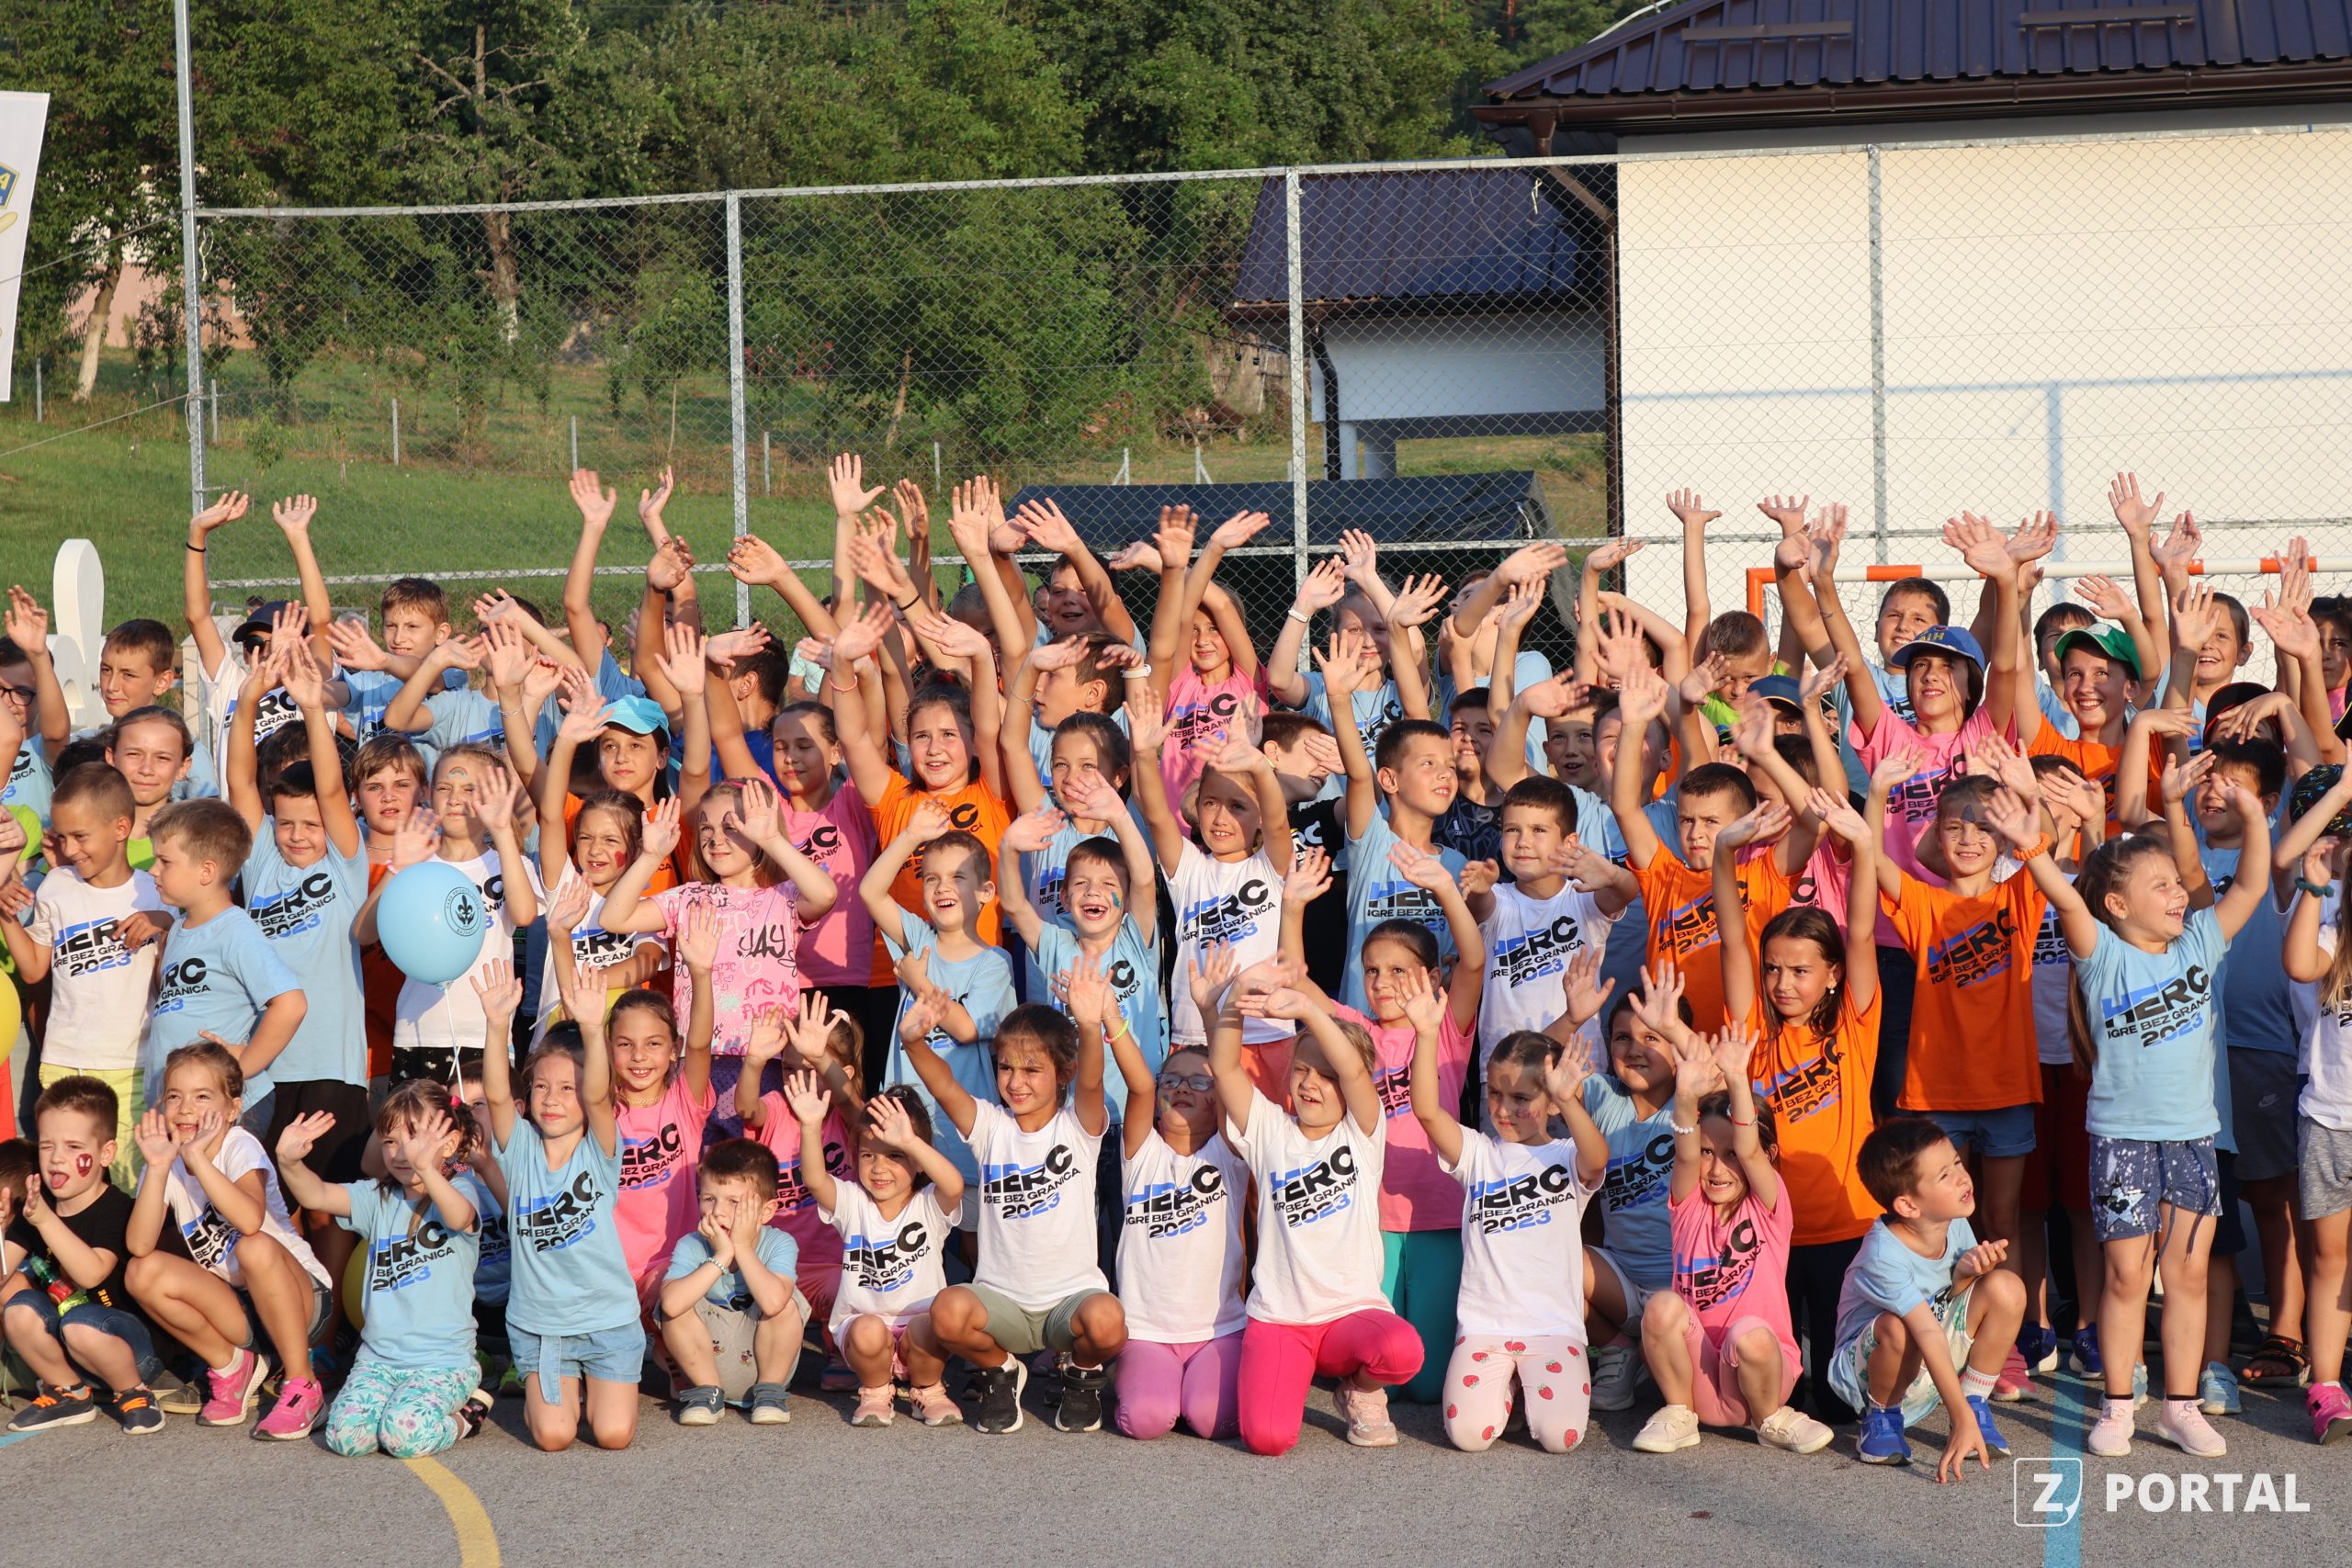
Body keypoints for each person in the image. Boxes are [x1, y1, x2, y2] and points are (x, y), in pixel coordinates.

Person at [1992, 778, 2269, 1459]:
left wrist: (2256, 815)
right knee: (2125, 1277)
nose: (2178, 894)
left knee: (2189, 1276)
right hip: (2122, 1142)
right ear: (2117, 904)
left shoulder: (2199, 943)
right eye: (2161, 885)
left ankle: (2180, 1406)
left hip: (2194, 1140)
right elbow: (2065, 897)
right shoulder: (2102, 954)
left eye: (2178, 882)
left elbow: (2251, 885)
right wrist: (2032, 846)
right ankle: (2118, 1404)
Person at [1204, 954, 1423, 1454]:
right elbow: (1225, 1066)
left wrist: (1307, 1009)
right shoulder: (1269, 1130)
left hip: (1351, 1314)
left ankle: (1361, 1391)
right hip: (1281, 1319)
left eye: (1325, 1075)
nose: (1309, 1083)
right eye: (1302, 1070)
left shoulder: (1361, 1134)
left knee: (1402, 1350)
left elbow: (1353, 1070)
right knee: (1267, 1439)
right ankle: (1292, 1374)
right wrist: (1236, 996)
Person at [1718, 777, 1883, 1425]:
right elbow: (1733, 938)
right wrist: (1724, 853)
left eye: (1801, 970)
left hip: (1848, 1226)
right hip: (1773, 1232)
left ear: (1833, 974)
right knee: (1778, 1401)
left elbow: (1861, 932)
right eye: (1774, 969)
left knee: (1840, 1406)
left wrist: (1864, 847)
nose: (1783, 983)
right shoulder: (1754, 1032)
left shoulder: (1855, 1024)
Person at [223, 637, 373, 1314]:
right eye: (287, 823)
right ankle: (290, 1318)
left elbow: (333, 789)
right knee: (271, 1202)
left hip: (332, 1064)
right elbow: (240, 784)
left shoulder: (344, 864)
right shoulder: (261, 863)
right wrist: (248, 699)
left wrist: (314, 707)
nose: (297, 834)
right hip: (265, 1066)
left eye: (310, 823)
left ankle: (331, 1329)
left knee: (327, 1205)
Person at [1405, 975, 1608, 1456]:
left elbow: (1597, 1158)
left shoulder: (1565, 1155)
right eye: (1496, 1094)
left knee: (1562, 1439)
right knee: (1468, 1436)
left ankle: (1523, 1389)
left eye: (1521, 1099)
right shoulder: (1478, 1154)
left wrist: (1569, 1101)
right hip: (1485, 1328)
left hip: (1552, 1327)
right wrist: (1427, 1035)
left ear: (1550, 1103)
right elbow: (1427, 1112)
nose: (1504, 1109)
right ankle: (1510, 1390)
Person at [917, 997, 1127, 1436]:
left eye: (1032, 1069)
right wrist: (913, 1041)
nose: (1016, 1082)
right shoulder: (990, 1127)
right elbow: (943, 1086)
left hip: (1069, 1303)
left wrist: (1091, 1025)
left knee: (1108, 1321)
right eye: (1006, 1067)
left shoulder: (1078, 1127)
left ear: (1063, 1072)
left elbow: (1092, 1079)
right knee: (946, 1312)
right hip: (1003, 1302)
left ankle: (1082, 1375)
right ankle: (1001, 1371)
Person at [1632, 1023, 1833, 1456]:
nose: (1717, 1168)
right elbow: (1685, 1151)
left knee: (1750, 1333)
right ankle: (1678, 1414)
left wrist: (1738, 1079)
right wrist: (1685, 1098)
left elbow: (1750, 1148)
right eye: (1708, 1153)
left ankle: (1772, 1419)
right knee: (1661, 1306)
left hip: (1762, 1377)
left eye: (1730, 1156)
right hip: (1700, 1381)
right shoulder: (1688, 1204)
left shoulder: (1769, 1208)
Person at [469, 960, 641, 1452]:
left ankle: (586, 1390)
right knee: (554, 1436)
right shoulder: (521, 1149)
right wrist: (497, 1023)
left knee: (613, 1435)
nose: (552, 1099)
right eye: (542, 1087)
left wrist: (591, 1027)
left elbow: (600, 1097)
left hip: (608, 1321)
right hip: (544, 1327)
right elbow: (497, 1096)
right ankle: (546, 1397)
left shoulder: (599, 1151)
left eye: (568, 1089)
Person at [122, 1042, 334, 1438]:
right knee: (140, 1272)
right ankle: (231, 1366)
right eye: (174, 1097)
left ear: (233, 1108)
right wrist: (158, 1168)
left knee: (253, 1245)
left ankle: (303, 1383)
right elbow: (138, 1244)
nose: (186, 1108)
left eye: (202, 1097)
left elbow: (250, 1221)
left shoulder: (239, 1145)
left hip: (301, 1298)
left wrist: (198, 1160)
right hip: (240, 1307)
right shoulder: (167, 1158)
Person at [597, 778, 838, 1119]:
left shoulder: (783, 897)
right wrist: (651, 856)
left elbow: (825, 895)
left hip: (765, 1059)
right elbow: (614, 917)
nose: (715, 839)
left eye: (732, 826)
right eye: (706, 828)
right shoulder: (688, 897)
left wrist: (771, 839)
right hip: (695, 1060)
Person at [277, 1081, 494, 1458]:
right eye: (391, 1141)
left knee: (403, 1437)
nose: (402, 1151)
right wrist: (289, 1162)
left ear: (449, 1143)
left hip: (443, 1363)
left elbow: (460, 1217)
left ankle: (466, 1417)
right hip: (377, 1362)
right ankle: (393, 1406)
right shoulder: (377, 1196)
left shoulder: (460, 1187)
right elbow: (316, 1194)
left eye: (415, 1139)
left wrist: (429, 1170)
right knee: (346, 1438)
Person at [1830, 1117, 2027, 1476]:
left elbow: (1944, 1306)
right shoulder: (1882, 1255)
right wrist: (1958, 1415)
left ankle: (1974, 1400)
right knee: (1898, 1326)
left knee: (2006, 1286)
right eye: (1944, 1176)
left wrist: (1964, 1278)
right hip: (1871, 1373)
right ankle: (1882, 1416)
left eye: (1957, 1162)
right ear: (1908, 1206)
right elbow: (1924, 1329)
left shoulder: (1953, 1219)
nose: (1962, 1178)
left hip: (1927, 1354)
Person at [0, 763, 165, 1182]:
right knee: (65, 1180)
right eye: (62, 837)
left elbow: (167, 986)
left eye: (80, 836)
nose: (70, 849)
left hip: (131, 1065)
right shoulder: (56, 885)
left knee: (128, 1181)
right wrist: (5, 914)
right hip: (63, 1062)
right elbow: (34, 970)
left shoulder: (155, 893)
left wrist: (165, 929)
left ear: (121, 827)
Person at [1102, 987, 1247, 1442]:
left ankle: (1189, 1389)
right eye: (1172, 1081)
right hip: (1146, 1332)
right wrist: (1109, 1015)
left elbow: (1230, 1075)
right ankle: (1149, 1381)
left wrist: (1209, 1012)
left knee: (1211, 1420)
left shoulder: (1229, 1154)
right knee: (1146, 1420)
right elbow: (1139, 1085)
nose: (1182, 1087)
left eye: (1200, 1083)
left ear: (1218, 1097)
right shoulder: (1141, 1153)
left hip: (1219, 1331)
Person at [858, 805, 1018, 1187]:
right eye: (932, 879)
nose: (943, 888)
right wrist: (911, 836)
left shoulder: (995, 962)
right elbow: (870, 891)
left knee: (966, 1217)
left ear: (985, 892)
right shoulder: (918, 940)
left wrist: (920, 983)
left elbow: (965, 1028)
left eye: (957, 878)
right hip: (905, 1126)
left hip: (962, 1131)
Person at [0, 1076, 167, 1433]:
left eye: (74, 1146)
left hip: (130, 1351)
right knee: (16, 1304)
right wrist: (0, 1232)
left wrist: (45, 1221)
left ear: (106, 1153)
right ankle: (69, 1392)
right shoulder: (37, 1206)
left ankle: (135, 1393)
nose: (57, 1158)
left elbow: (91, 1274)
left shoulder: (115, 1207)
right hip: (70, 1348)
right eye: (47, 1146)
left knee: (81, 1322)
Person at [363, 745, 538, 1084]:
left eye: (470, 789)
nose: (455, 798)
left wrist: (503, 830)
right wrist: (398, 867)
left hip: (487, 1029)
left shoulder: (508, 862)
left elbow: (525, 914)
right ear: (429, 793)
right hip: (418, 1030)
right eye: (445, 787)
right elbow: (364, 932)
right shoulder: (416, 861)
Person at [797, 1078, 967, 1428]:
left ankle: (928, 1389)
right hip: (864, 1330)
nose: (879, 1168)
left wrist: (910, 1141)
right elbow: (815, 1180)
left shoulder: (928, 1205)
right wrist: (811, 1127)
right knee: (868, 1329)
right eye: (868, 1155)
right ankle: (875, 1391)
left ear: (918, 1161)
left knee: (929, 1325)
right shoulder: (852, 1202)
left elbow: (954, 1184)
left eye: (895, 1155)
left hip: (919, 1330)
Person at [135, 800, 308, 1128]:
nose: (154, 870)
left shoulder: (235, 931)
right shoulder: (179, 930)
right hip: (180, 1109)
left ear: (207, 871)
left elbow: (291, 1004)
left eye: (165, 861)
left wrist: (244, 1066)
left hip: (226, 1109)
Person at [656, 1137, 804, 1427]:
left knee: (786, 1301)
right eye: (709, 1198)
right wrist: (722, 1256)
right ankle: (706, 1394)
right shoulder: (691, 1244)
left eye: (734, 1202)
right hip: (707, 1363)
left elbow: (773, 1303)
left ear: (766, 1211)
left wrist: (742, 1247)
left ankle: (770, 1394)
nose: (717, 1211)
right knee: (675, 1301)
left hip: (765, 1364)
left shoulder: (780, 1242)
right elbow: (671, 1305)